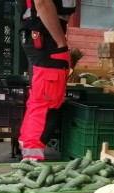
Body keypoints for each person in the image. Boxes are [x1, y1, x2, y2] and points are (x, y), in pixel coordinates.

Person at [17, 0, 76, 161]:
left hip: (39, 36)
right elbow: (42, 2)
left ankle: (29, 152)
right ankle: (32, 156)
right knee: (47, 101)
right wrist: (60, 42)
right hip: (46, 39)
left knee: (40, 98)